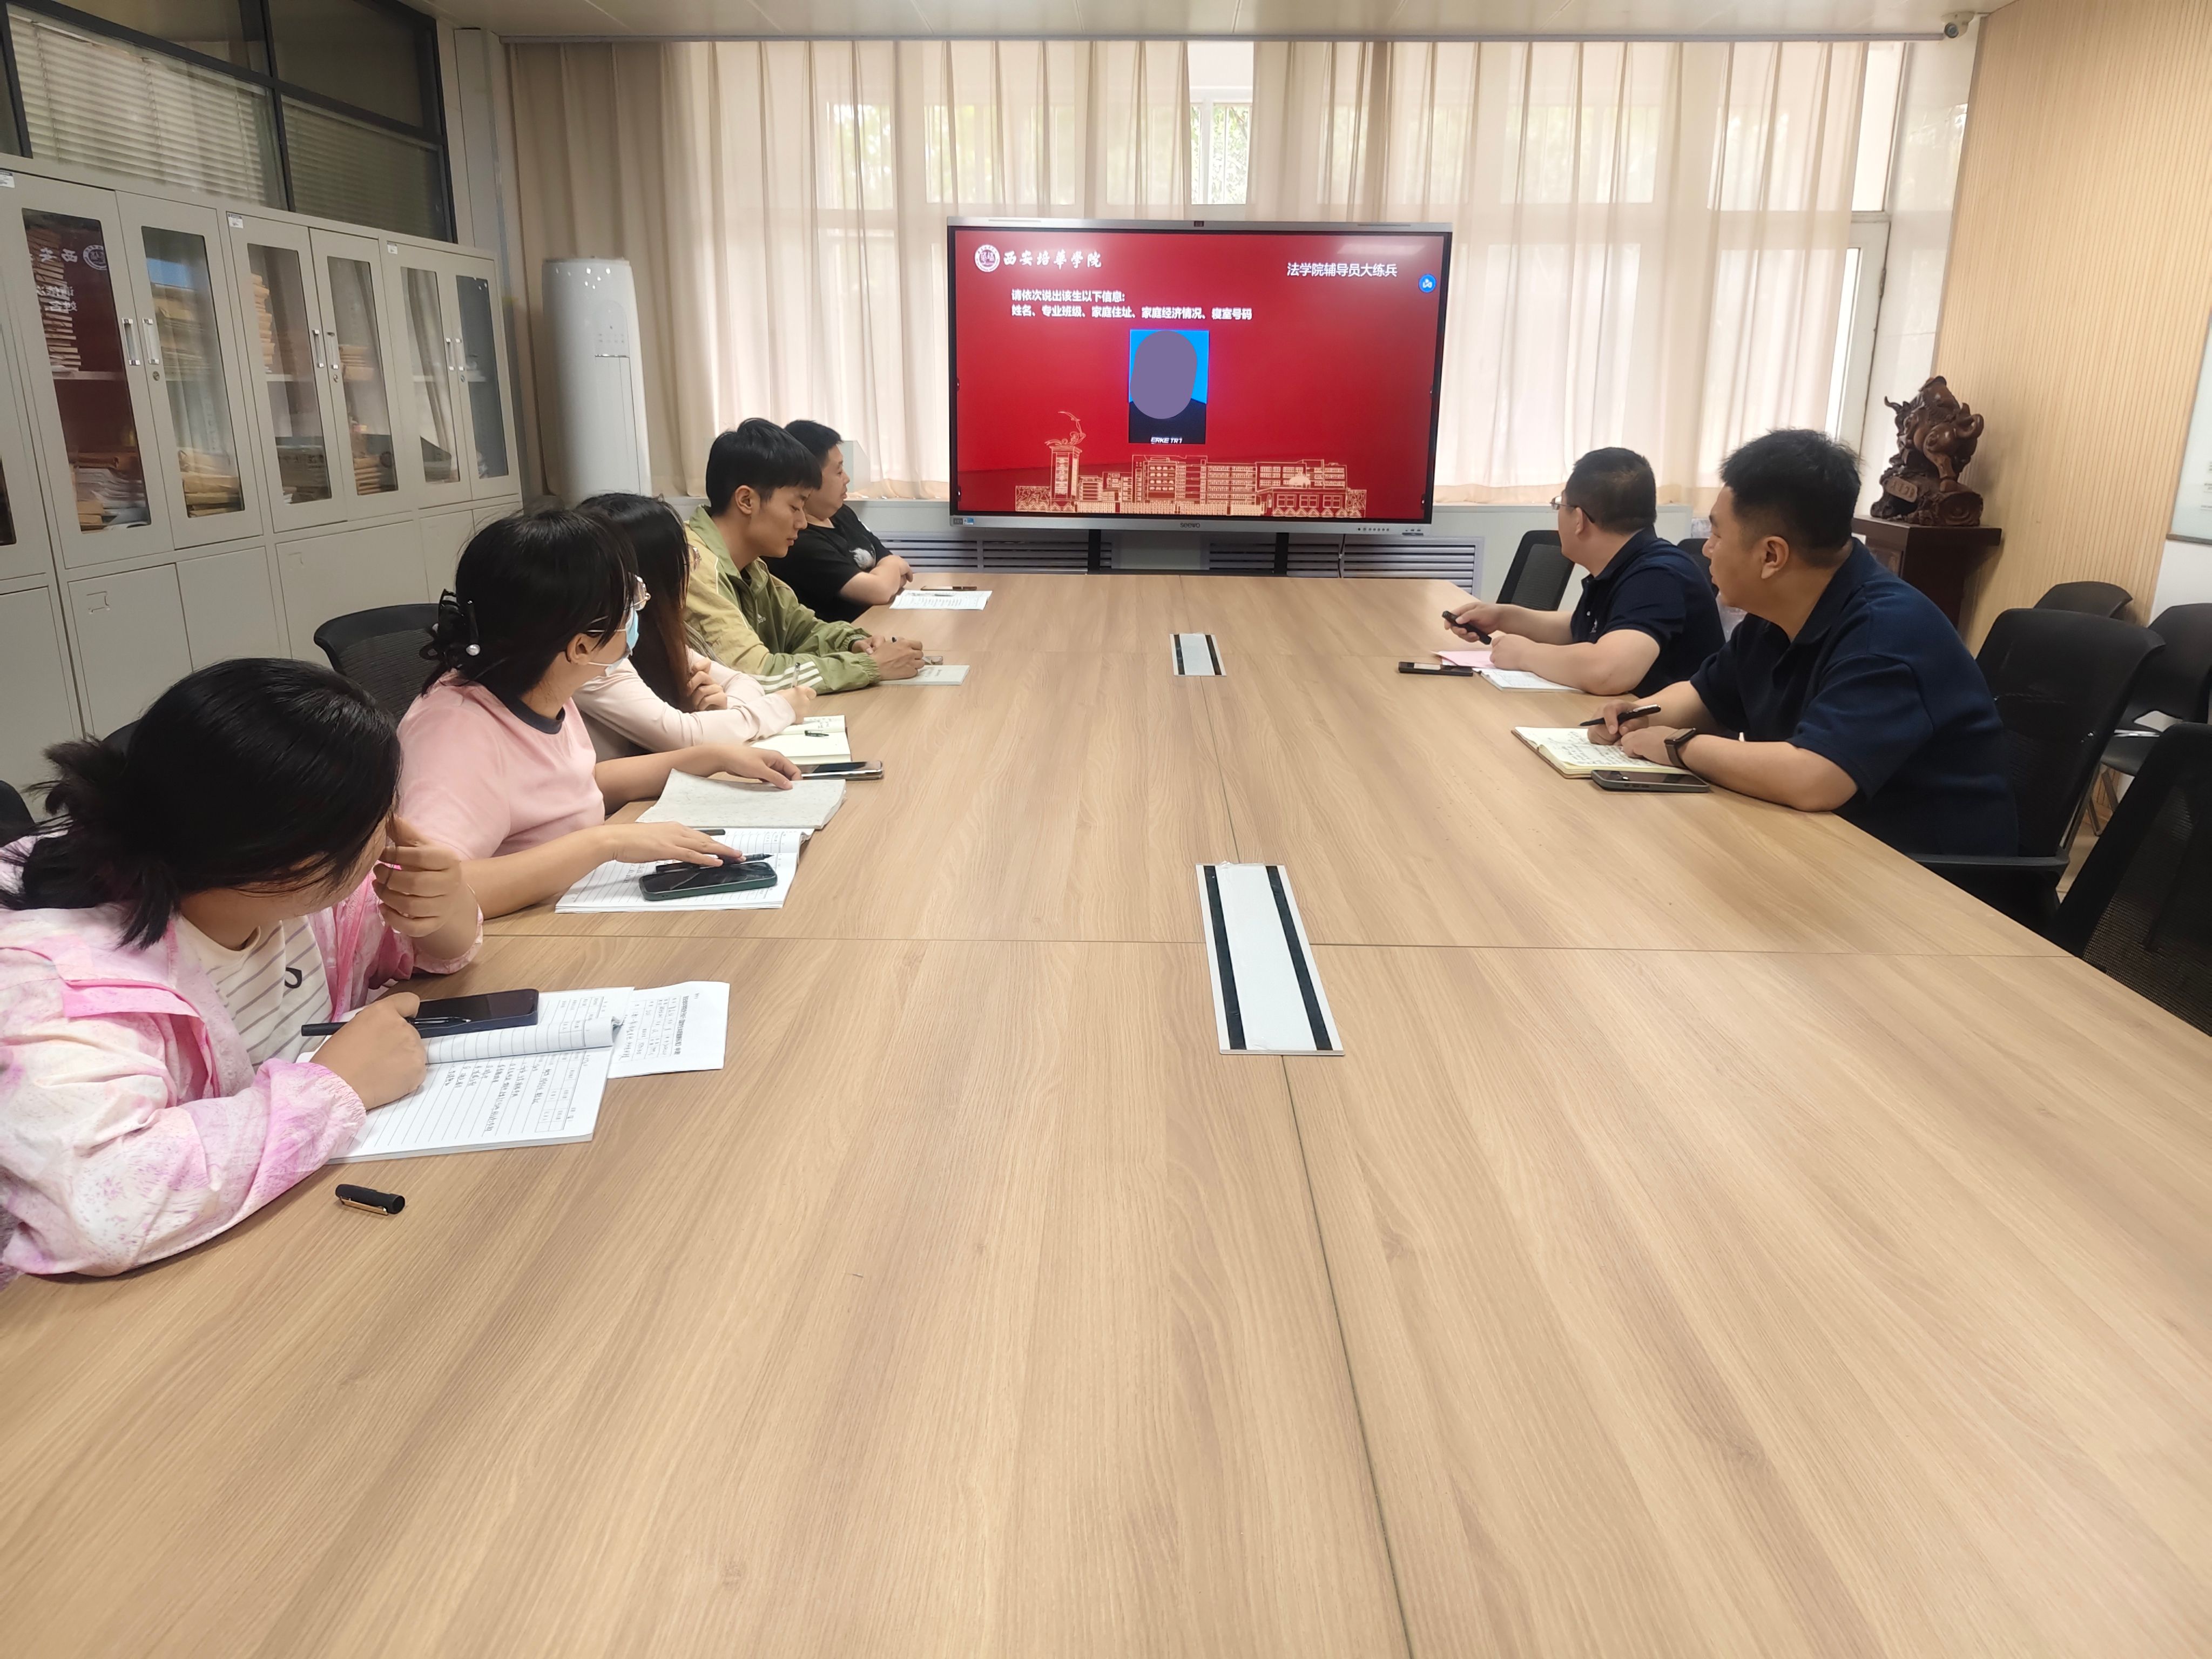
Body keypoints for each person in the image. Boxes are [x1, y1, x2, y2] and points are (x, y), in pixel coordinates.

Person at [0, 659, 482, 1279]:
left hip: (271, 1235)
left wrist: (442, 909)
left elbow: (427, 952)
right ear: (289, 856)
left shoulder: (288, 897)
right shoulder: (56, 985)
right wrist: (333, 1089)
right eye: (377, 820)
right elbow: (102, 1208)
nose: (391, 837)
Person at [1589, 428, 2017, 857]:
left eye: (1717, 535)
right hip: (1826, 846)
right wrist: (1638, 717)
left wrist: (1678, 746)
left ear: (1771, 556)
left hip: (1928, 878)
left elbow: (1814, 778)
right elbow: (1707, 696)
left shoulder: (1888, 631)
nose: (1708, 550)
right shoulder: (1774, 616)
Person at [399, 509, 800, 919]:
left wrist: (713, 757)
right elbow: (426, 891)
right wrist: (607, 843)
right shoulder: (456, 734)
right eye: (630, 602)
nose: (638, 611)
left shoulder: (544, 684)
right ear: (581, 647)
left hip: (566, 908)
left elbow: (574, 786)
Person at [1447, 447, 1722, 696]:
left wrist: (1525, 655)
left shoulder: (1658, 576)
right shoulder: (1629, 563)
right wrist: (1503, 617)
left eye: (1559, 505)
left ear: (1579, 519)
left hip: (1669, 733)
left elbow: (1607, 671)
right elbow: (1581, 628)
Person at [684, 419, 926, 689]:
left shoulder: (751, 566)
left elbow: (801, 629)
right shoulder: (693, 567)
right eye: (795, 507)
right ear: (746, 501)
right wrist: (870, 666)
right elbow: (756, 673)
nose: (802, 523)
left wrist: (855, 642)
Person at [574, 492, 817, 759]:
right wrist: (781, 707)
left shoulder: (645, 635)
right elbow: (686, 737)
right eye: (686, 561)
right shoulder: (594, 653)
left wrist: (724, 710)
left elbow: (742, 681)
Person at [779, 420, 914, 623]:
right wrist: (887, 577)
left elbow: (893, 562)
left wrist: (888, 573)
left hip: (880, 623)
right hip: (850, 636)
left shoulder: (842, 513)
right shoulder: (799, 540)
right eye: (839, 471)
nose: (847, 478)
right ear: (809, 480)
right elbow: (880, 590)